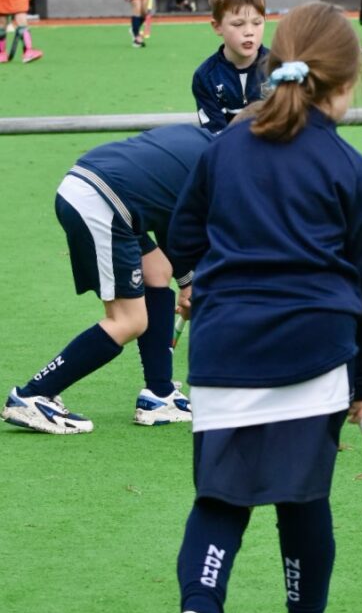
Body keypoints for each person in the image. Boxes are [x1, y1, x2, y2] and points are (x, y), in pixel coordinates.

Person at [166, 1, 362, 613]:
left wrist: (199, 282)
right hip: (313, 351)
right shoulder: (351, 168)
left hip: (224, 347)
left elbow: (182, 238)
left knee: (220, 497)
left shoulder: (225, 147)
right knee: (304, 494)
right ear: (347, 83)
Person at [1, 124, 217, 436]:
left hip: (88, 188)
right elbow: (187, 230)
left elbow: (171, 219)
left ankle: (160, 395)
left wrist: (187, 283)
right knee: (129, 320)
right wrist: (195, 285)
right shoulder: (222, 169)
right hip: (104, 203)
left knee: (157, 270)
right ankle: (33, 395)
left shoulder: (198, 139)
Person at [192, 0, 269, 133]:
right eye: (238, 24)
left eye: (257, 23)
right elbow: (215, 135)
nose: (249, 32)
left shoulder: (280, 67)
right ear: (217, 27)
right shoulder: (206, 77)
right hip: (230, 147)